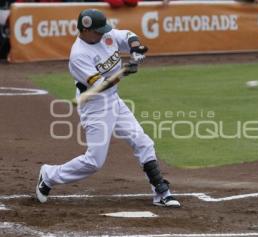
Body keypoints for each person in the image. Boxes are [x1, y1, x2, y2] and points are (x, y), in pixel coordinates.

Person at [36, 9, 180, 208]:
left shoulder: (106, 35)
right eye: (98, 31)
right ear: (85, 30)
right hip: (95, 106)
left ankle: (162, 192)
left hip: (114, 100)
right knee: (94, 162)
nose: (103, 34)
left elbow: (129, 35)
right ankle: (49, 175)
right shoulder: (78, 56)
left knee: (143, 142)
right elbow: (102, 85)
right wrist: (125, 72)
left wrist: (135, 49)